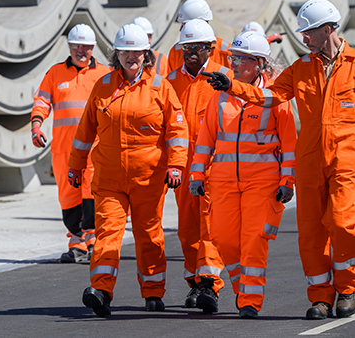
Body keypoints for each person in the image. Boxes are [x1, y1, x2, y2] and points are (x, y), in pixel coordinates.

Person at [204, 0, 355, 319]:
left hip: (347, 162)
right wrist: (233, 87)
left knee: (343, 224)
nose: (304, 38)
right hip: (310, 162)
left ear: (328, 29)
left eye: (309, 32)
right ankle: (321, 297)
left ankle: (348, 289)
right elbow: (270, 96)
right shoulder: (300, 68)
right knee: (311, 234)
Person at [68, 23, 189, 316]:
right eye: (125, 52)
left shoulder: (160, 87)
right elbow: (85, 131)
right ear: (117, 54)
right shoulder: (104, 86)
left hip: (148, 177)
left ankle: (152, 292)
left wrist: (176, 165)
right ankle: (101, 289)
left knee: (148, 234)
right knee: (108, 233)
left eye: (136, 52)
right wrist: (75, 166)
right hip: (109, 177)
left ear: (145, 55)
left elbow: (177, 131)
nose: (131, 57)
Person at [189, 31, 297, 319]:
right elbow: (205, 138)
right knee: (223, 239)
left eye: (241, 59)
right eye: (233, 58)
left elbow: (289, 143)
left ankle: (250, 301)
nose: (234, 64)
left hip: (262, 182)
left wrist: (288, 181)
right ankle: (242, 288)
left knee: (253, 241)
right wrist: (197, 174)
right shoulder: (221, 96)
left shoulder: (276, 97)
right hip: (223, 182)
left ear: (259, 63)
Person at [166, 19, 230, 313]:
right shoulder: (168, 83)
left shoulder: (224, 78)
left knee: (209, 226)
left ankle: (209, 284)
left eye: (198, 47)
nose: (191, 52)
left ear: (211, 48)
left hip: (214, 168)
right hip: (182, 167)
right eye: (186, 47)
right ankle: (193, 281)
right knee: (187, 228)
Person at [31, 24, 110, 263]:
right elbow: (42, 101)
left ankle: (93, 240)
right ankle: (77, 242)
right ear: (70, 47)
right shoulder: (55, 73)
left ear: (93, 48)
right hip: (63, 149)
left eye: (86, 47)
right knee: (68, 196)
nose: (81, 51)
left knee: (91, 193)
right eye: (77, 46)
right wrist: (36, 124)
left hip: (95, 149)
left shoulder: (104, 74)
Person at [167, 0, 232, 73]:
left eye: (184, 25)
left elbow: (238, 83)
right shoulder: (175, 51)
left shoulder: (227, 52)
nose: (180, 29)